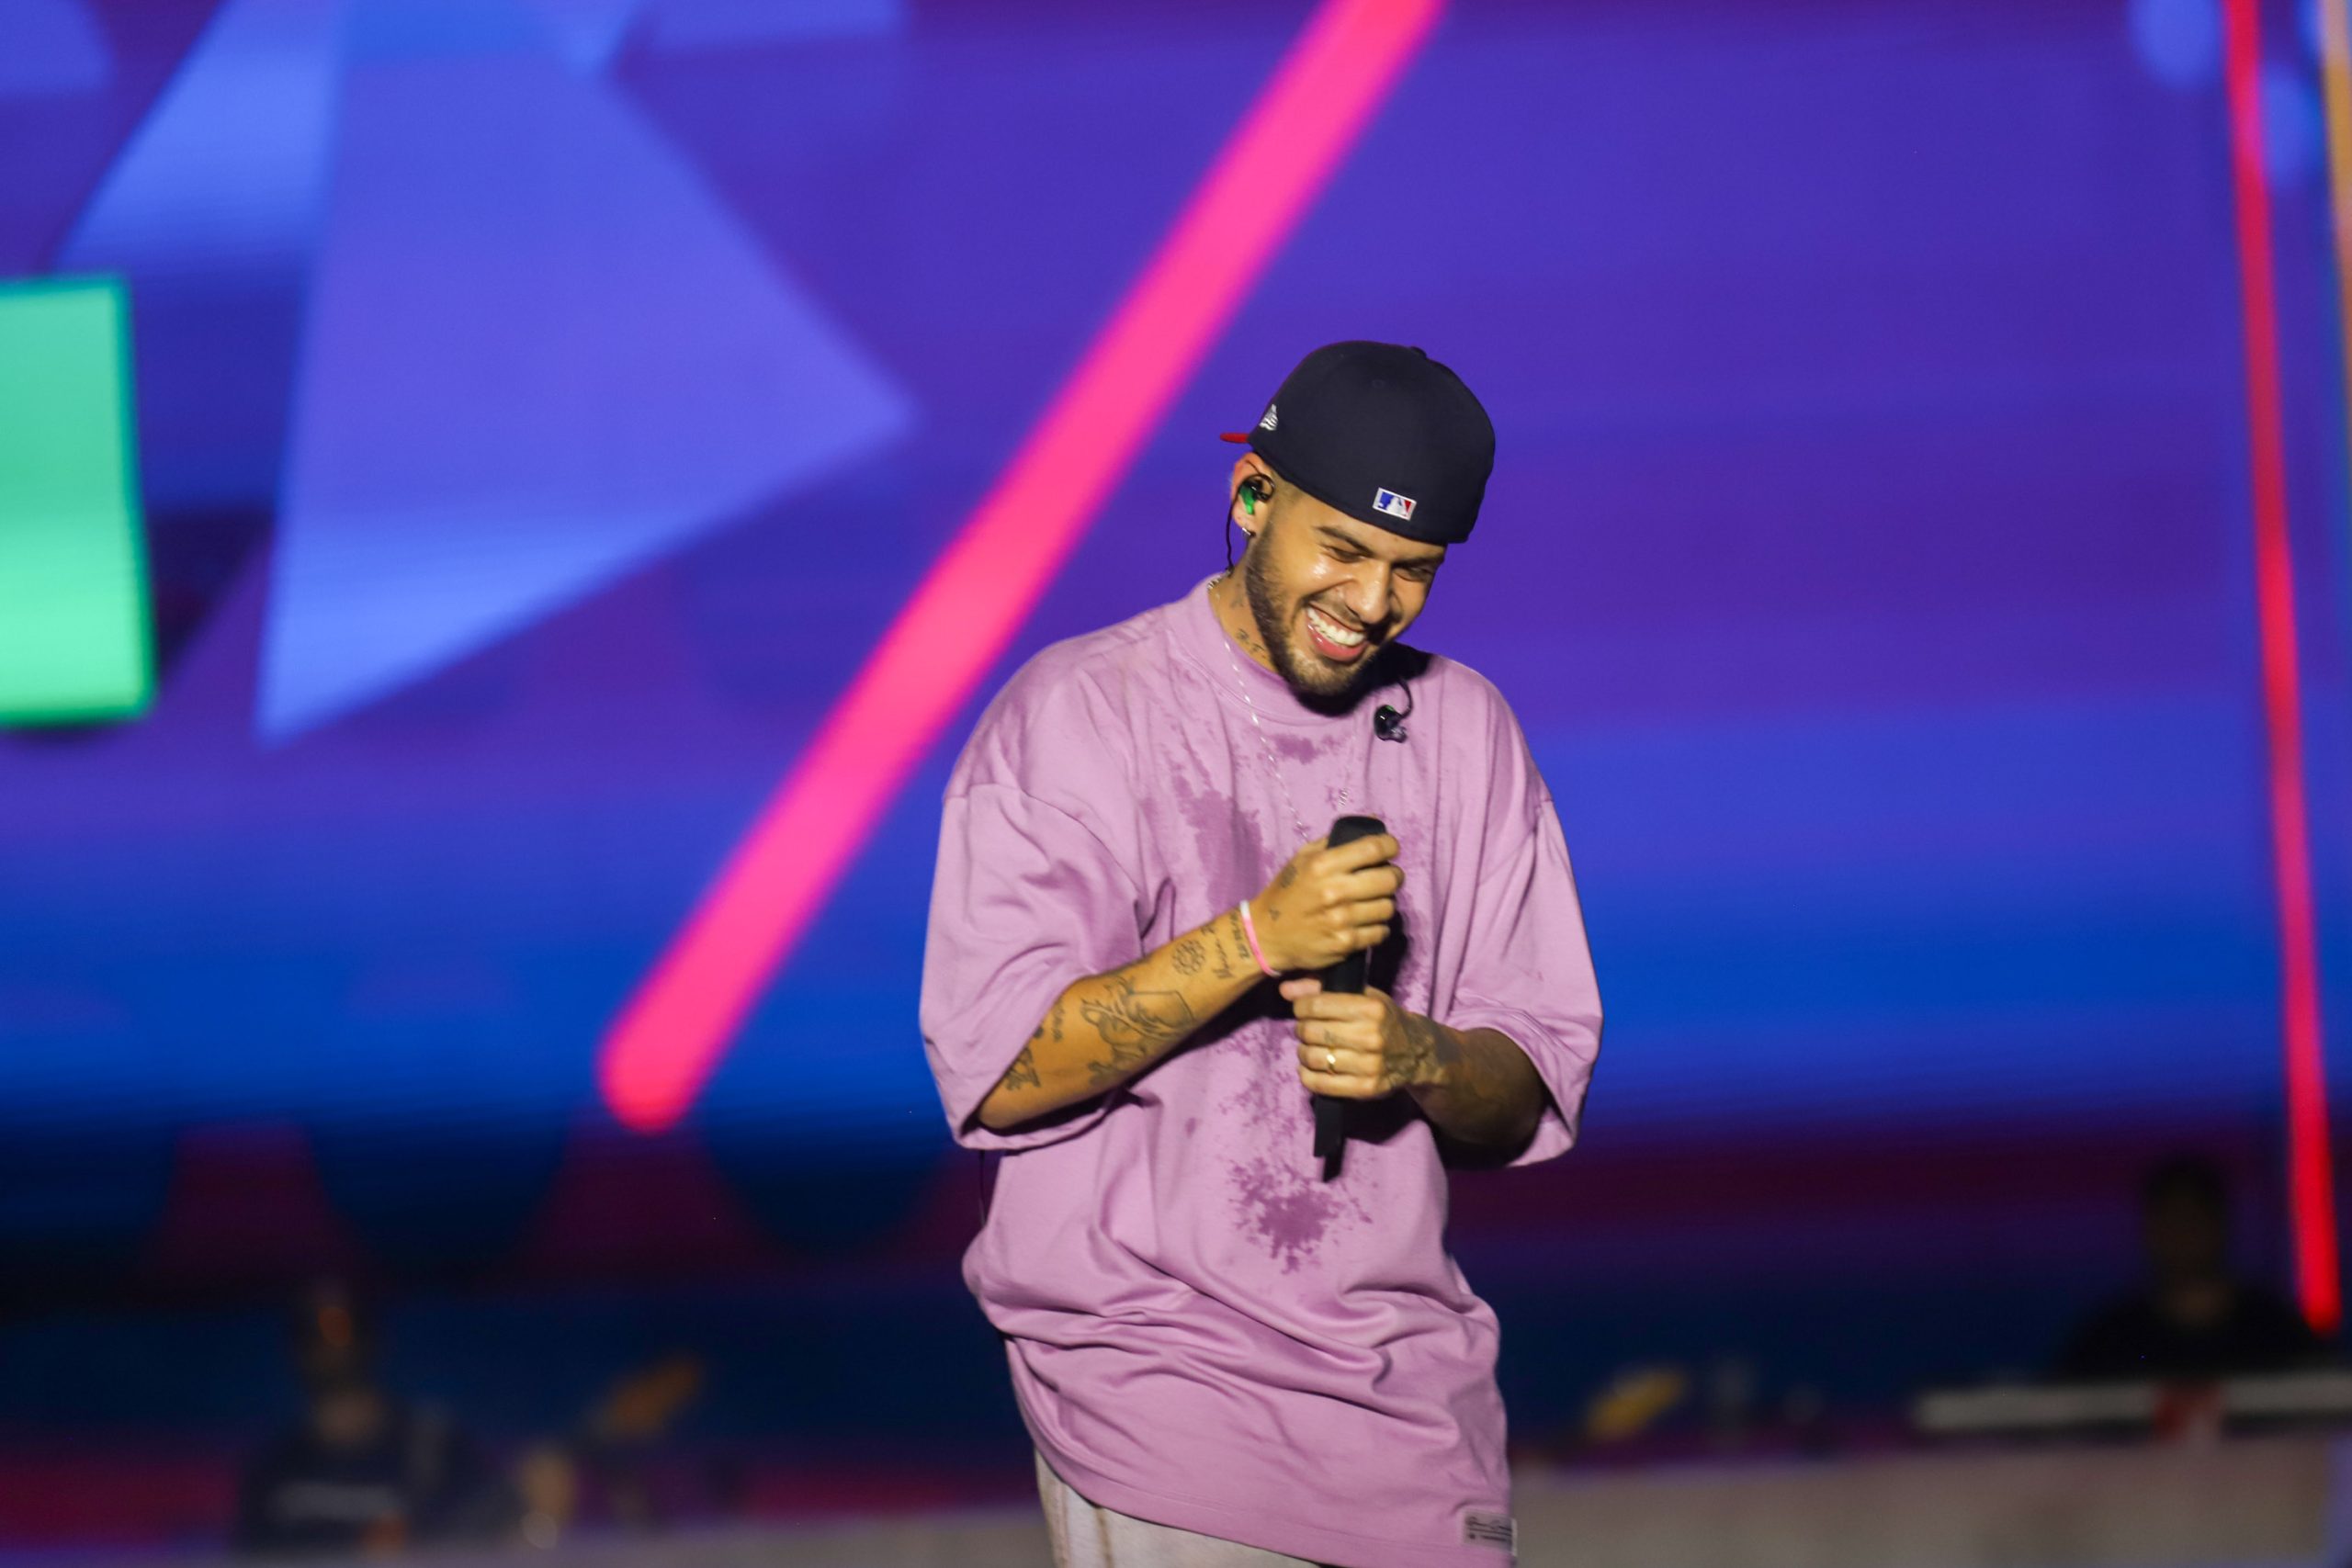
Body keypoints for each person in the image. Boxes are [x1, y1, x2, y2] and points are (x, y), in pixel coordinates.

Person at [921, 342, 1603, 1567]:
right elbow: (1002, 1071)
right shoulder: (1082, 712)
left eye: (1411, 568)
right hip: (1165, 1400)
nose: (1371, 601)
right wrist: (1253, 940)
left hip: (1417, 1422)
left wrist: (1421, 1055)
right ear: (1251, 499)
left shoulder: (1468, 733)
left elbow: (1525, 1092)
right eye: (1340, 548)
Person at [233, 1281, 523, 1554]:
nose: (332, 1348)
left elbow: (499, 1533)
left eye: (346, 1332)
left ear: (374, 1341)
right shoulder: (273, 1472)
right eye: (315, 1337)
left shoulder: (435, 1450)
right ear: (296, 1351)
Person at [2055, 1154, 2324, 1382]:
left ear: (2220, 1225)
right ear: (2149, 1231)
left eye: (2192, 1219)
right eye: (2170, 1221)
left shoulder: (2275, 1333)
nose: (2182, 1235)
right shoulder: (2111, 1341)